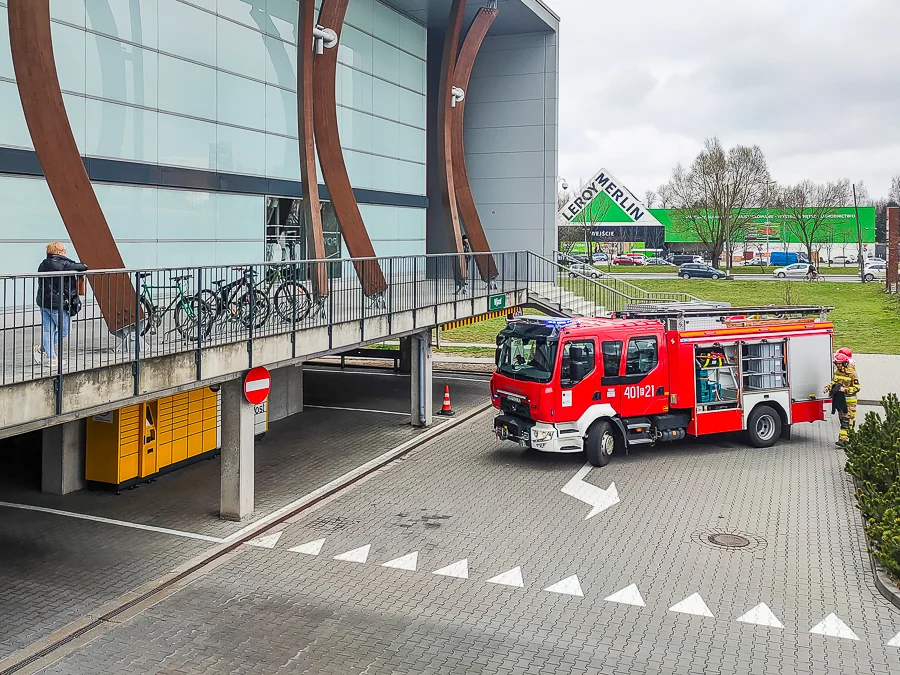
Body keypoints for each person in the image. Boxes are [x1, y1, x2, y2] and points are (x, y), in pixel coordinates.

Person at [33, 242, 88, 367]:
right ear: (58, 252)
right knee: (65, 330)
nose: (65, 253)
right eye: (64, 251)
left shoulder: (43, 263)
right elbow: (84, 266)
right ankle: (44, 350)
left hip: (43, 302)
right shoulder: (63, 264)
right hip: (57, 303)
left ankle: (49, 356)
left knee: (48, 330)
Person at [825, 351, 860, 447]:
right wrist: (828, 387)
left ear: (845, 363)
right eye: (837, 364)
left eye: (840, 364)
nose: (838, 366)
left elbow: (857, 388)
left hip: (850, 401)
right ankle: (852, 438)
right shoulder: (837, 372)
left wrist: (845, 389)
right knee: (843, 420)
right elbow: (834, 382)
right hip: (840, 400)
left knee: (846, 421)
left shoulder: (852, 374)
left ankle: (843, 440)